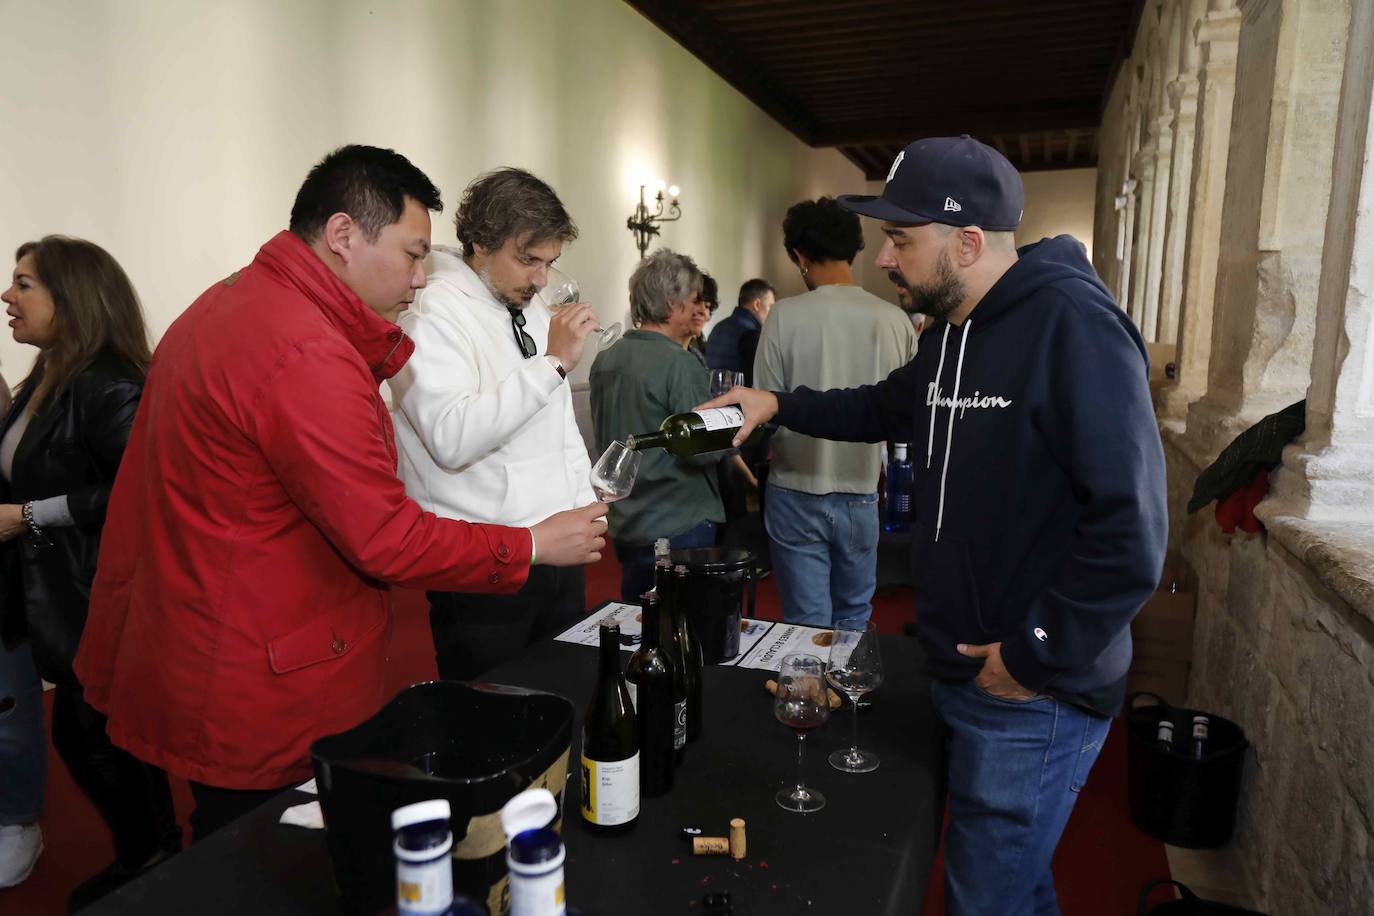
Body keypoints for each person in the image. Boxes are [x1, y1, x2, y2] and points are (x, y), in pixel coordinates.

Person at [74, 145, 607, 848]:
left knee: (234, 842)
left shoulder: (234, 299)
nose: (422, 277)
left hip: (208, 621)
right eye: (415, 255)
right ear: (343, 234)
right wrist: (534, 542)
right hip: (255, 657)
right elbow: (384, 533)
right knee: (265, 850)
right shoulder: (306, 350)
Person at [700, 136, 1167, 916]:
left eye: (901, 240)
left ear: (969, 242)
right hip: (961, 661)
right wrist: (775, 403)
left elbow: (1133, 529)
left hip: (1030, 687)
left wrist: (1034, 653)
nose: (885, 259)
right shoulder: (954, 328)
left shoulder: (1072, 325)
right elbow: (884, 404)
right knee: (1011, 880)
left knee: (983, 896)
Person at [0, 237, 178, 907]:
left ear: (70, 299)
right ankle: (151, 850)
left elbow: (147, 486)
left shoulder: (109, 381)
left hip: (104, 595)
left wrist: (31, 515)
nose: (7, 298)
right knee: (95, 735)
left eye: (24, 285)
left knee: (96, 736)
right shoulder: (50, 373)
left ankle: (151, 853)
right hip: (67, 596)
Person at [390, 168, 601, 681]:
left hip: (557, 549)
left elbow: (556, 425)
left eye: (549, 263)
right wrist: (552, 365)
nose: (541, 279)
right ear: (480, 244)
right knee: (492, 720)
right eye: (528, 260)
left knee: (565, 700)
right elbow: (453, 437)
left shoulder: (527, 303)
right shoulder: (432, 313)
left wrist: (582, 502)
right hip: (486, 565)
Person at [755, 197, 917, 628]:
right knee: (855, 616)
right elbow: (907, 411)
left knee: (806, 624)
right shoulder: (894, 320)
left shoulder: (783, 316)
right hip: (862, 491)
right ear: (855, 250)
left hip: (794, 487)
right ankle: (850, 695)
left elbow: (764, 407)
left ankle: (804, 696)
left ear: (800, 256)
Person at [589, 250, 724, 601]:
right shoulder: (678, 364)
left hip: (627, 518)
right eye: (693, 299)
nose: (697, 309)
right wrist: (737, 427)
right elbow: (703, 451)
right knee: (683, 631)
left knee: (640, 621)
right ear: (672, 303)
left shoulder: (606, 358)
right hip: (678, 518)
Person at [705, 277, 775, 387]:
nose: (772, 313)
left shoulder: (718, 327)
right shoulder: (752, 334)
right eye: (770, 307)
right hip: (737, 401)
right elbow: (757, 383)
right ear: (756, 304)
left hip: (712, 399)